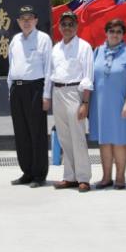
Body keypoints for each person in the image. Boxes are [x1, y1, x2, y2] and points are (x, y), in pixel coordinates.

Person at [88, 18, 126, 189]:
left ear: (123, 34)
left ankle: (120, 177)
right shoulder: (97, 51)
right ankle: (106, 177)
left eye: (119, 31)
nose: (115, 34)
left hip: (121, 104)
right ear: (106, 32)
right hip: (100, 104)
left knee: (120, 141)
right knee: (104, 141)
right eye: (112, 31)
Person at [48, 11, 94, 192]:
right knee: (64, 137)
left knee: (78, 136)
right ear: (59, 27)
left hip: (75, 92)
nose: (67, 28)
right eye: (64, 24)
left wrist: (85, 103)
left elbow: (88, 77)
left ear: (76, 26)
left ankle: (83, 178)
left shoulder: (84, 47)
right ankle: (70, 176)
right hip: (58, 92)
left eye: (71, 24)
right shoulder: (55, 49)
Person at [8, 5, 52, 188]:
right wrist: (9, 90)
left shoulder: (43, 39)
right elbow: (11, 67)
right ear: (18, 22)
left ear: (35, 20)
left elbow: (49, 68)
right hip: (17, 90)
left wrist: (46, 95)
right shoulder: (15, 40)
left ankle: (39, 175)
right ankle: (26, 171)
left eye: (29, 18)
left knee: (37, 133)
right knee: (21, 134)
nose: (26, 22)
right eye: (22, 18)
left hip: (35, 89)